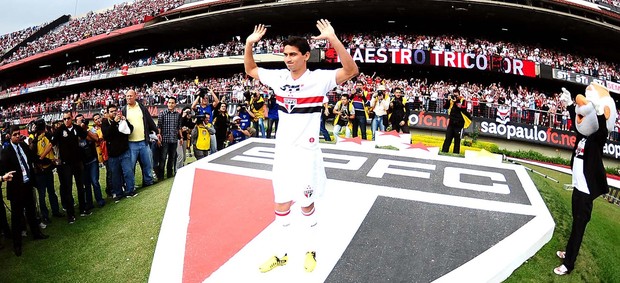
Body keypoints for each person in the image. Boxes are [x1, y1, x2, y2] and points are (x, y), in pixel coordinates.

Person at [244, 19, 358, 273]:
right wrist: (249, 44)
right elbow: (251, 69)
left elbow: (351, 71)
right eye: (285, 55)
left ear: (306, 55)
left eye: (293, 54)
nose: (288, 59)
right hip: (283, 154)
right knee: (281, 206)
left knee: (306, 205)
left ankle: (311, 250)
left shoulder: (320, 80)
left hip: (306, 156)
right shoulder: (278, 78)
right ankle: (281, 255)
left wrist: (333, 39)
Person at [554, 85, 617, 275]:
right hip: (578, 188)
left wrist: (599, 112)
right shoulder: (583, 137)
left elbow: (601, 130)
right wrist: (569, 105)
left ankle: (568, 265)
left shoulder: (597, 140)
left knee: (579, 228)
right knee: (575, 224)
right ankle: (569, 253)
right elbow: (579, 121)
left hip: (586, 192)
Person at [40, 112, 98, 222]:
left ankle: (83, 209)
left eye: (68, 118)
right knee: (68, 189)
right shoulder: (60, 130)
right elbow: (51, 144)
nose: (66, 120)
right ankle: (70, 214)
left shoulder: (76, 128)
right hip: (66, 164)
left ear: (72, 118)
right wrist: (42, 157)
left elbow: (86, 137)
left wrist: (96, 139)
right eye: (64, 119)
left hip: (77, 162)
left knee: (81, 186)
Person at [1, 125, 49, 256]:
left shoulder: (23, 146)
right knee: (16, 217)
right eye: (15, 134)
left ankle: (36, 233)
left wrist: (49, 161)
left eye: (18, 134)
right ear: (9, 136)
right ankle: (17, 244)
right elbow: (2, 168)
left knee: (31, 212)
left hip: (27, 184)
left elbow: (34, 158)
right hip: (16, 189)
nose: (18, 136)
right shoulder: (6, 151)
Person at [30, 119, 63, 224]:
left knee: (50, 192)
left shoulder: (46, 136)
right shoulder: (34, 141)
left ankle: (54, 211)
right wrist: (50, 161)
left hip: (47, 169)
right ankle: (46, 214)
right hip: (41, 170)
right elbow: (35, 158)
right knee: (44, 194)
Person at [122, 89, 157, 188]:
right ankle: (130, 186)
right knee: (131, 166)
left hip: (143, 141)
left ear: (135, 96)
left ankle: (148, 181)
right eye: (127, 96)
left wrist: (157, 132)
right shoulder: (124, 109)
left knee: (147, 164)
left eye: (130, 96)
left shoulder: (141, 107)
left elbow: (150, 121)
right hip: (131, 143)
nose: (128, 98)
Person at [102, 104, 136, 202]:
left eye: (115, 111)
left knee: (128, 172)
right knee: (115, 175)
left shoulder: (121, 120)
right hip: (113, 155)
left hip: (124, 151)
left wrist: (126, 121)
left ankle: (130, 191)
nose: (113, 113)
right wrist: (114, 123)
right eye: (111, 111)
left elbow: (130, 130)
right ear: (108, 113)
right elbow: (107, 135)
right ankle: (118, 194)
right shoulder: (105, 123)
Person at [157, 96, 182, 179]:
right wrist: (159, 138)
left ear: (175, 104)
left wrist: (181, 137)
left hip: (174, 139)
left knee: (172, 158)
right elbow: (159, 127)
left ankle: (169, 174)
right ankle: (160, 176)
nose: (170, 104)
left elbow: (179, 127)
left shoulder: (178, 115)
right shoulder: (162, 114)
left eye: (172, 103)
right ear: (167, 104)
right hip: (164, 140)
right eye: (169, 103)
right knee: (163, 158)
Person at [441, 88, 467, 154]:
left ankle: (456, 153)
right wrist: (448, 100)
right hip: (451, 122)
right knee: (448, 138)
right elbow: (445, 107)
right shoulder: (451, 100)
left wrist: (456, 101)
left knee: (457, 140)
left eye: (456, 95)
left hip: (459, 123)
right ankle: (444, 151)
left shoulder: (462, 100)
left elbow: (463, 107)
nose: (455, 97)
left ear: (459, 94)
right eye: (454, 95)